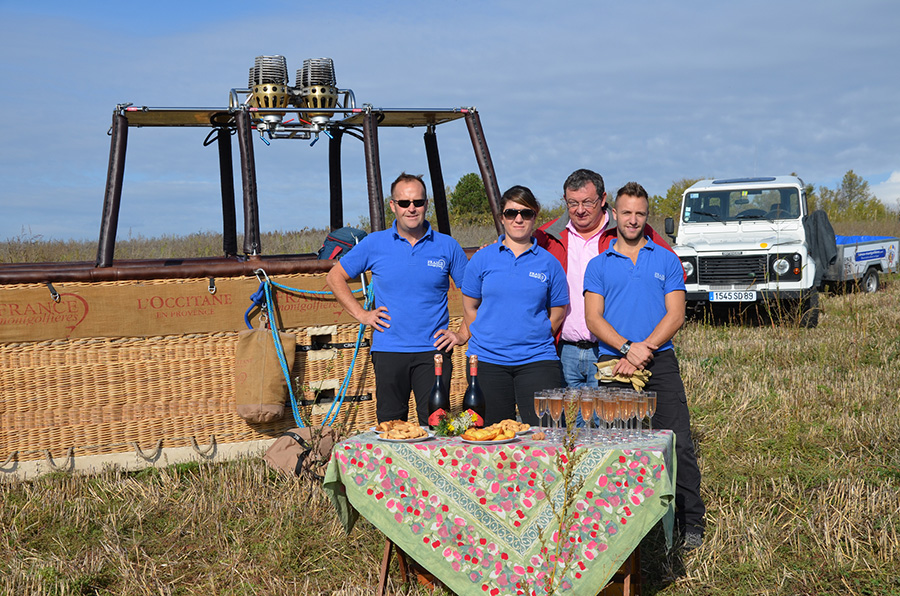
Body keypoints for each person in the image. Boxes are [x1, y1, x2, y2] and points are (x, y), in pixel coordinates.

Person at [583, 181, 706, 549]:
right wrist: (624, 348)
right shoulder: (598, 265)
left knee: (676, 443)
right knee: (617, 447)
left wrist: (644, 349)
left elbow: (676, 314)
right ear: (614, 215)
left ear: (645, 216)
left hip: (660, 361)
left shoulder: (665, 259)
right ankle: (623, 526)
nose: (633, 219)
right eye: (626, 212)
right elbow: (593, 318)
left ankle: (691, 523)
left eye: (640, 213)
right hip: (613, 363)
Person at [534, 169, 677, 424]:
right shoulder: (547, 237)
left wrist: (637, 342)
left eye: (587, 202)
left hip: (609, 350)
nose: (580, 210)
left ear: (602, 199)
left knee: (611, 430)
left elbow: (669, 274)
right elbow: (518, 253)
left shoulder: (626, 226)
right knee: (572, 431)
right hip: (565, 349)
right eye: (572, 203)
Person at [326, 173, 469, 425]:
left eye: (418, 202)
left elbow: (473, 294)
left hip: (433, 352)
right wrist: (362, 315)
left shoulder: (448, 246)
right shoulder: (375, 243)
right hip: (389, 351)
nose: (411, 208)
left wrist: (462, 334)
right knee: (391, 429)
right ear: (392, 206)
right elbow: (335, 277)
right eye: (404, 203)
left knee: (436, 428)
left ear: (427, 204)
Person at [461, 186, 568, 425]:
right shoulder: (482, 259)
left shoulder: (549, 263)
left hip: (537, 360)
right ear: (501, 217)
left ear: (535, 216)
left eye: (526, 213)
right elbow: (469, 307)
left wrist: (533, 335)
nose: (518, 219)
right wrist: (487, 337)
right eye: (511, 213)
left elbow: (558, 312)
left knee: (545, 438)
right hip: (488, 361)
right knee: (491, 438)